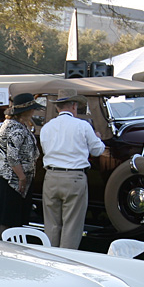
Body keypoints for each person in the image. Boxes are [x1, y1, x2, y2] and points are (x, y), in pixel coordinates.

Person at [39, 89, 106, 249]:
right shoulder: (82, 126)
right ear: (74, 106)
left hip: (52, 176)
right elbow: (98, 150)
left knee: (52, 224)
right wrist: (97, 138)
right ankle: (66, 260)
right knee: (72, 225)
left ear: (57, 108)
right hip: (74, 177)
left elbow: (45, 149)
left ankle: (50, 258)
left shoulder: (47, 127)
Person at [0, 93, 43, 234]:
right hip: (11, 180)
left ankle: (11, 245)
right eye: (32, 109)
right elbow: (12, 157)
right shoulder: (16, 129)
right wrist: (22, 177)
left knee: (11, 217)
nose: (33, 111)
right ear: (25, 111)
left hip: (9, 177)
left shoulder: (14, 125)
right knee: (9, 218)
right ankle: (8, 247)